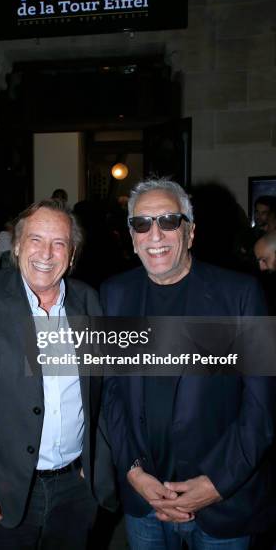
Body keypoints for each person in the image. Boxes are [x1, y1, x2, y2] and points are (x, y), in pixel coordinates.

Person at [101, 178, 275, 550]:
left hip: (222, 502)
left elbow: (262, 408)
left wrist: (215, 484)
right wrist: (133, 472)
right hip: (144, 499)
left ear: (190, 232)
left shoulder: (240, 295)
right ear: (132, 237)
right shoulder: (115, 295)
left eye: (168, 221)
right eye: (142, 223)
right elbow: (111, 393)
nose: (155, 235)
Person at [0, 199, 116, 549]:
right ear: (18, 245)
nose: (46, 253)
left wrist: (97, 463)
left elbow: (105, 389)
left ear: (72, 255)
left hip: (75, 488)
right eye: (36, 239)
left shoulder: (89, 301)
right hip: (4, 487)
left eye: (59, 243)